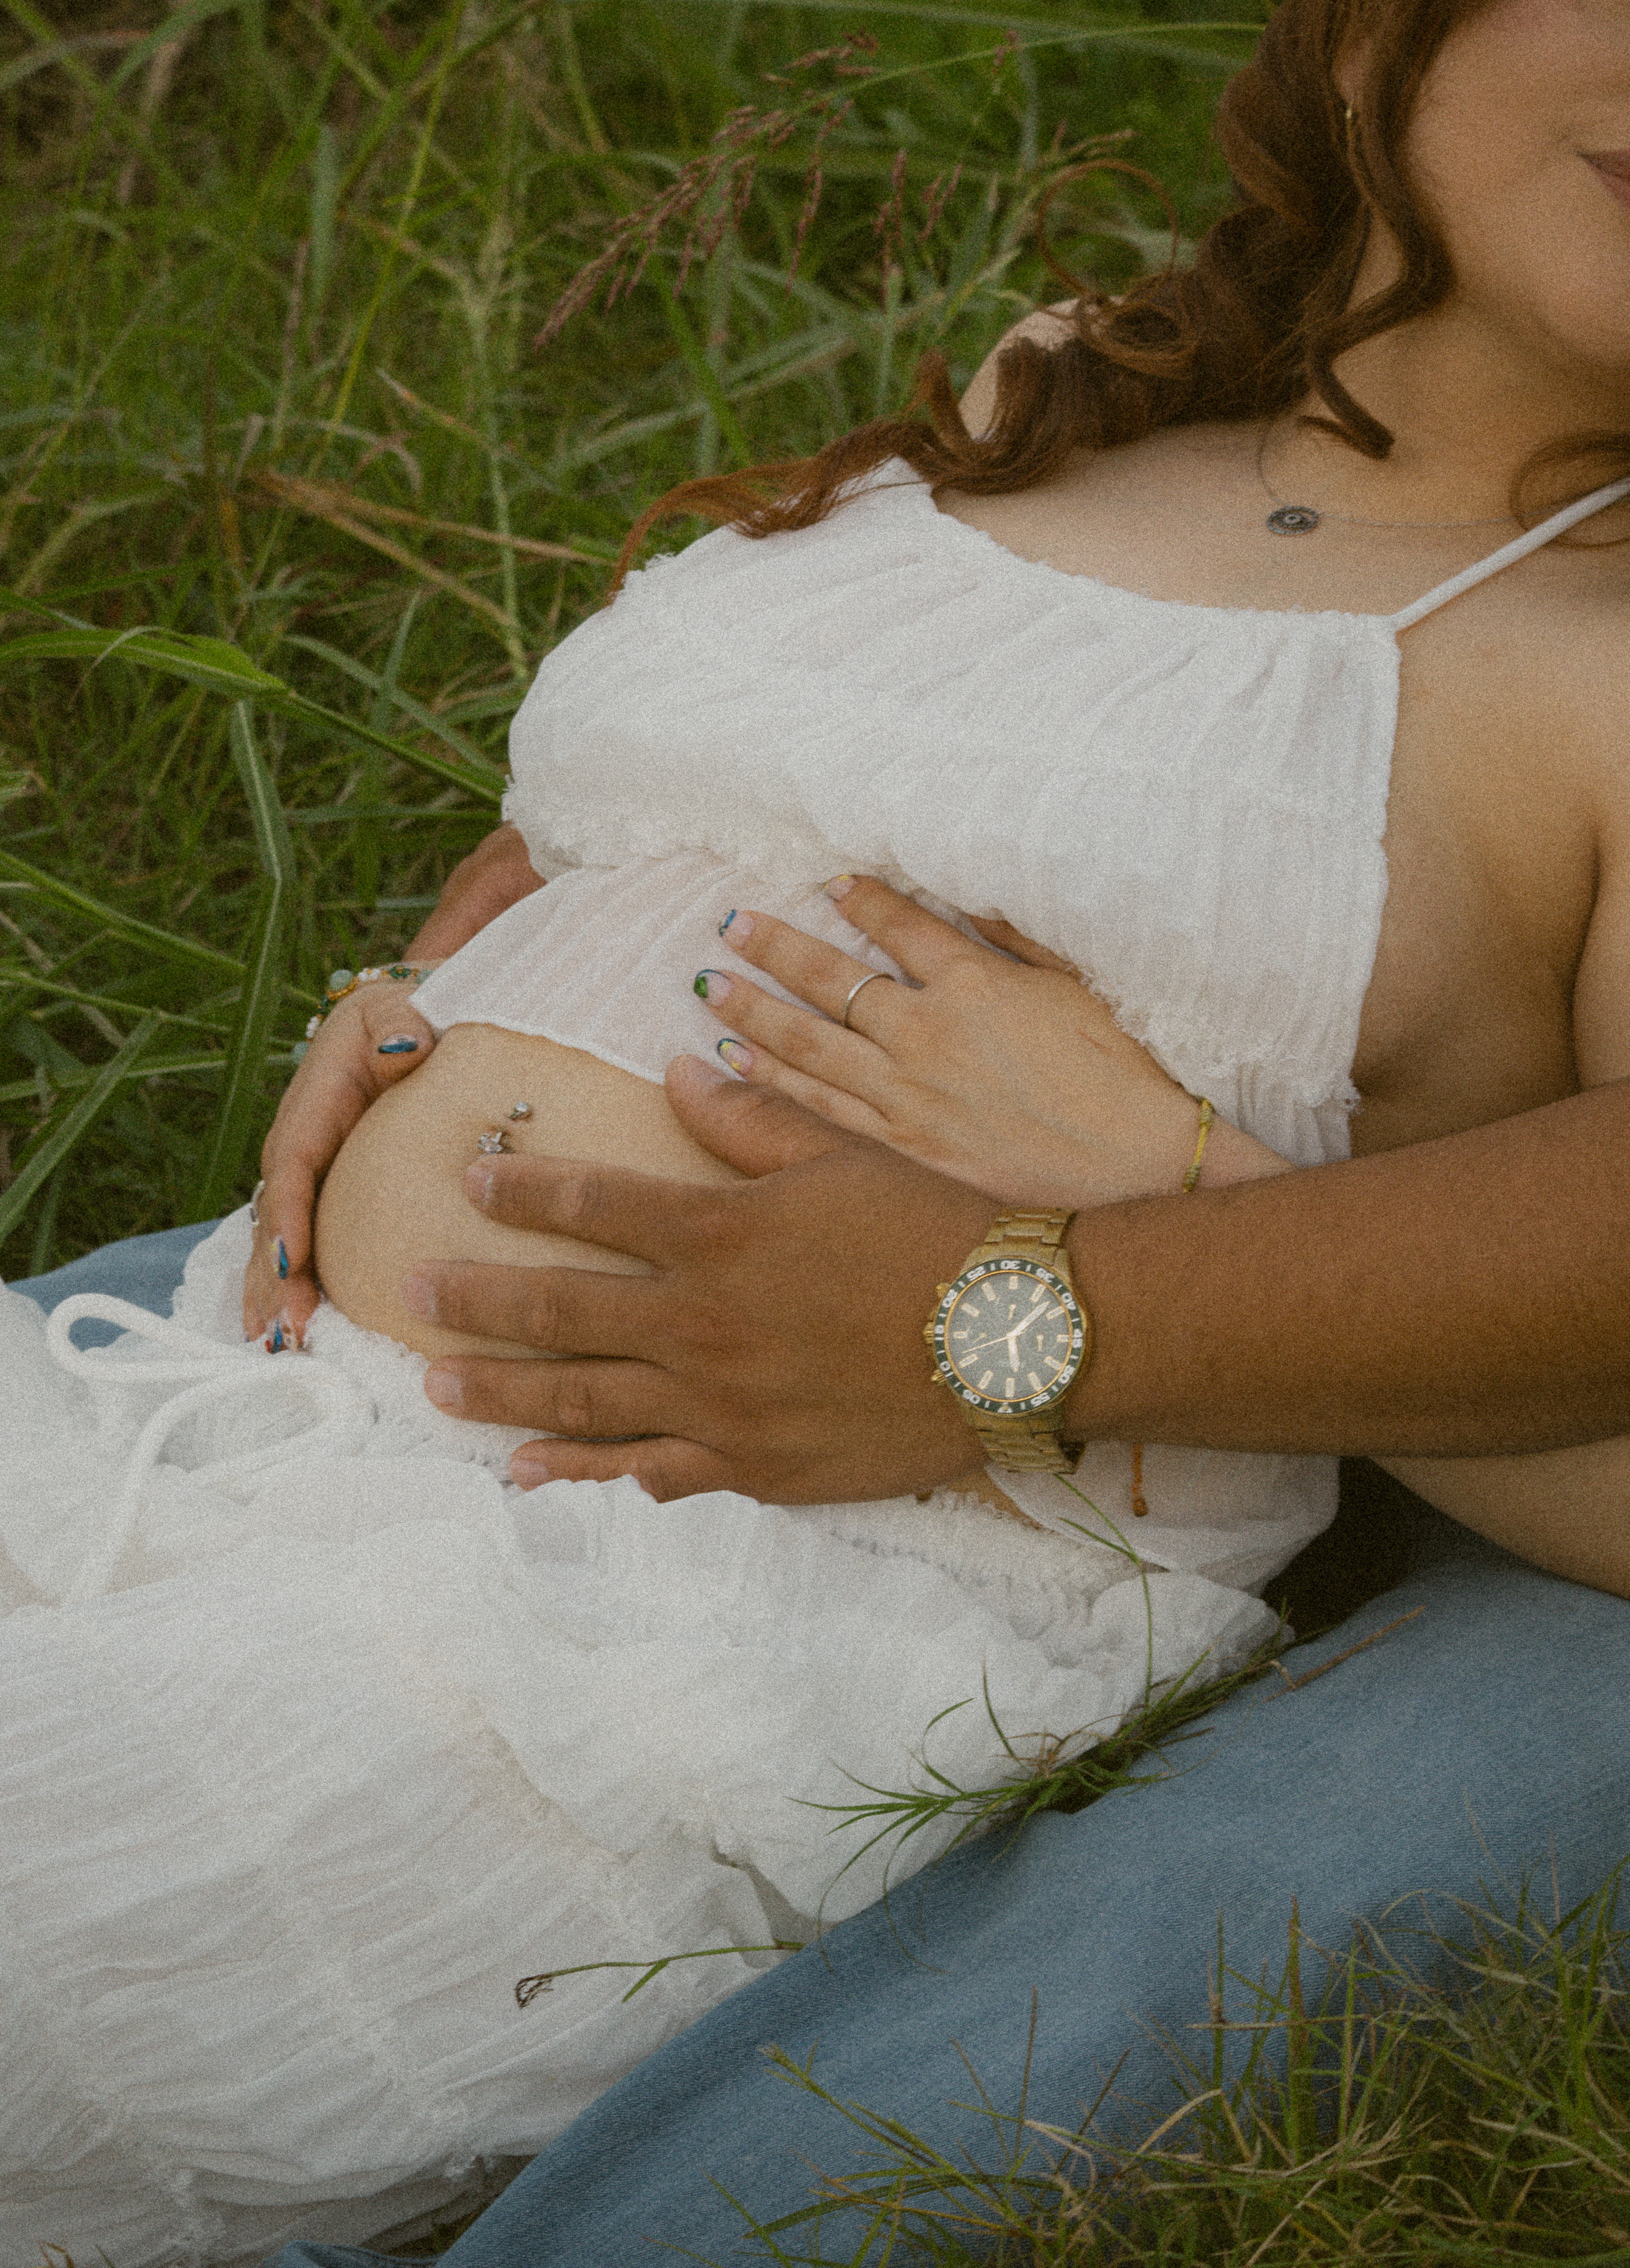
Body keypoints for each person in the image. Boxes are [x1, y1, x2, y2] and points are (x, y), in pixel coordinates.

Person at [5, 0, 1630, 2261]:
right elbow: (702, 776)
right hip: (247, 1383)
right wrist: (434, 983)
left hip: (697, 1595)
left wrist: (1126, 1205)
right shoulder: (1071, 380)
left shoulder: (1604, 665)